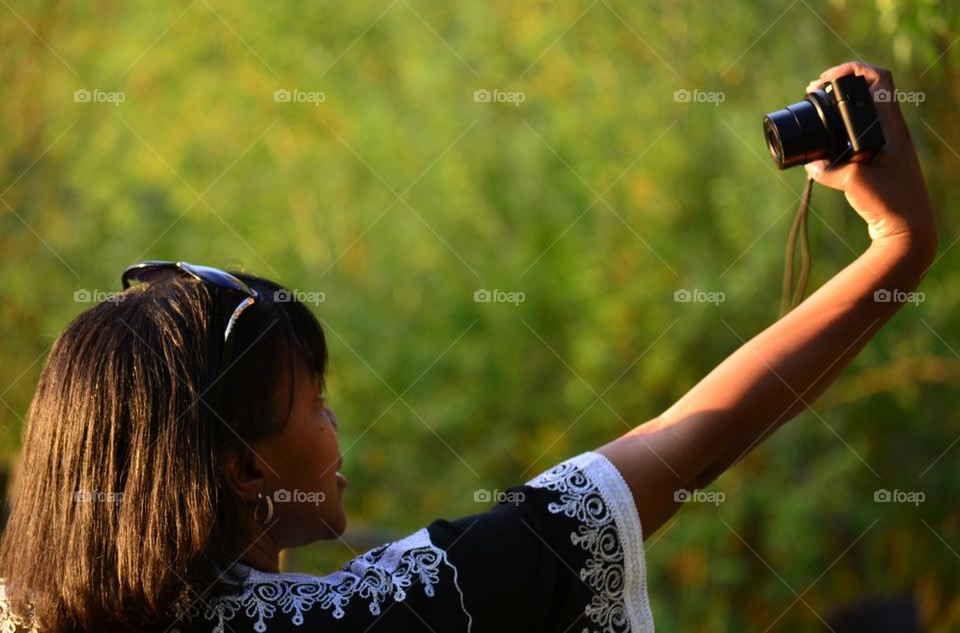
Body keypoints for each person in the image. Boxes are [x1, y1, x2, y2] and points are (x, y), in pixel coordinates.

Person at [0, 61, 937, 632]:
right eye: (313, 401)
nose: (333, 423)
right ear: (248, 470)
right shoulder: (387, 615)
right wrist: (899, 249)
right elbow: (681, 440)